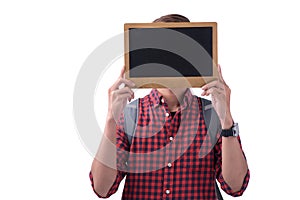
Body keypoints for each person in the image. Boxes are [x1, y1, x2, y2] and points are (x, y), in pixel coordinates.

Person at [90, 14, 250, 199]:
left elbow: (235, 186)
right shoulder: (129, 117)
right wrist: (111, 119)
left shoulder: (212, 116)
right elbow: (102, 189)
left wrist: (226, 120)